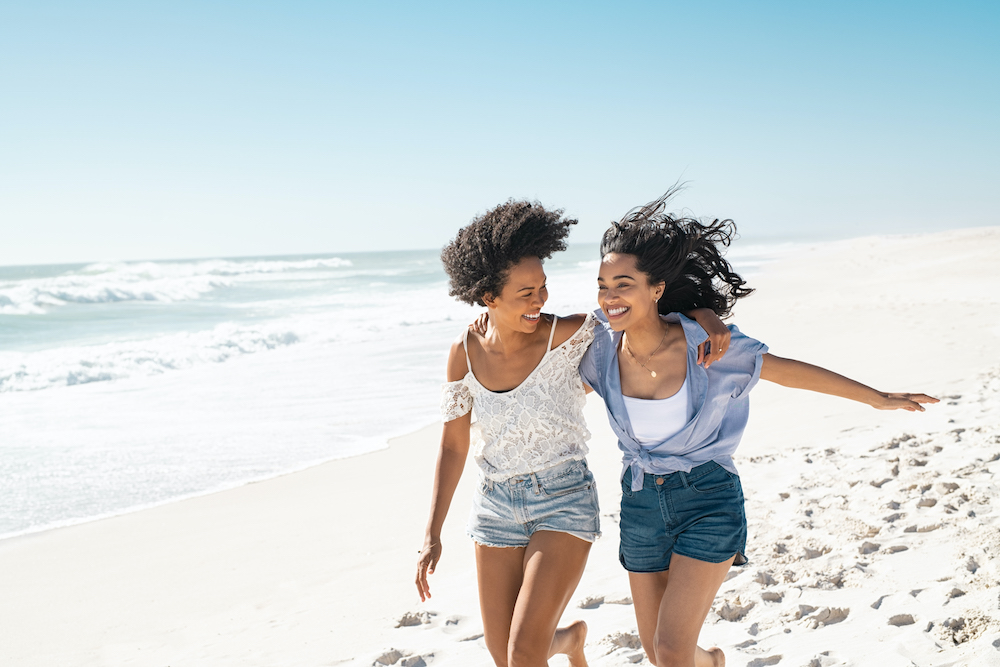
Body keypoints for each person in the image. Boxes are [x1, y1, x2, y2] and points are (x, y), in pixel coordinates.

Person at [579, 189, 938, 667]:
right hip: (640, 503)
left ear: (656, 289)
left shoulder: (709, 349)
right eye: (602, 285)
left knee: (668, 651)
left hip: (707, 499)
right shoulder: (598, 351)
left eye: (623, 284)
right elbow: (536, 367)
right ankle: (715, 662)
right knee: (659, 650)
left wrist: (877, 398)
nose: (610, 297)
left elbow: (787, 370)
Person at [415, 199, 730, 667]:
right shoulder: (463, 353)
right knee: (504, 655)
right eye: (525, 292)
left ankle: (553, 644)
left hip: (563, 499)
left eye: (542, 287)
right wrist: (432, 531)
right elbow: (453, 443)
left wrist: (706, 317)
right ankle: (569, 642)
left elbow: (645, 311)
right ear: (488, 298)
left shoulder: (569, 335)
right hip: (495, 506)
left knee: (523, 654)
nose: (539, 300)